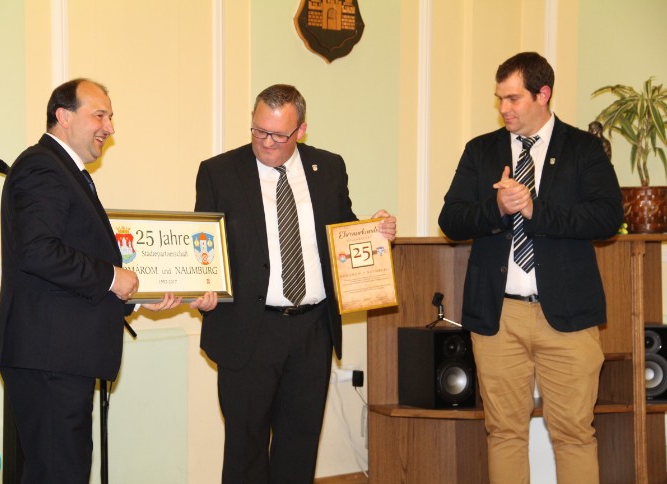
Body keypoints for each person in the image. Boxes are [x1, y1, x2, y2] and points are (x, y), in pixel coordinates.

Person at [0, 78, 216, 483]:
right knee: (60, 472)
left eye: (110, 117)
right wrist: (113, 277)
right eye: (99, 115)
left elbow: (70, 259)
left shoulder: (65, 171)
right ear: (63, 116)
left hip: (59, 358)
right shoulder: (43, 166)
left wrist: (137, 296)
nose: (109, 127)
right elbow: (38, 251)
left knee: (60, 469)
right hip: (50, 358)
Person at [195, 83, 396, 482]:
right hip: (249, 329)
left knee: (300, 446)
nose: (266, 142)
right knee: (245, 449)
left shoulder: (329, 168)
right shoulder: (219, 172)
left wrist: (374, 232)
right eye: (259, 131)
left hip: (312, 329)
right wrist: (201, 287)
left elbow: (342, 230)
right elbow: (204, 246)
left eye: (278, 135)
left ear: (301, 130)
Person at [438, 52, 623, 484]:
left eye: (513, 98)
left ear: (543, 94)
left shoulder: (583, 149)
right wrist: (498, 207)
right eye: (500, 98)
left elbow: (607, 217)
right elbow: (451, 220)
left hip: (569, 315)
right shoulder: (481, 150)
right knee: (504, 432)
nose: (504, 108)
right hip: (498, 314)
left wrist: (535, 210)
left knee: (574, 433)